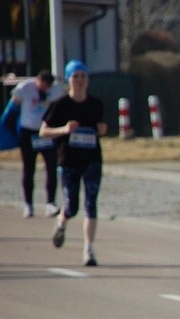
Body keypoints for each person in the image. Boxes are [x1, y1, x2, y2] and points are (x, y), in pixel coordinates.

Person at [39, 60, 107, 266]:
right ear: (69, 80)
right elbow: (43, 132)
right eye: (75, 76)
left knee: (91, 203)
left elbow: (101, 128)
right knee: (73, 206)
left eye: (83, 76)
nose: (79, 80)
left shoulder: (95, 104)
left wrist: (102, 130)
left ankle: (88, 250)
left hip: (92, 159)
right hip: (68, 160)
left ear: (88, 79)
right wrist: (64, 130)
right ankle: (61, 222)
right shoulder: (60, 105)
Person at [0, 70, 64, 217]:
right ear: (38, 80)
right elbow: (12, 108)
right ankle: (28, 204)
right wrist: (8, 129)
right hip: (28, 133)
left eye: (47, 87)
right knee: (29, 169)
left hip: (46, 133)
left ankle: (50, 203)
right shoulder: (25, 88)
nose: (44, 89)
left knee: (51, 167)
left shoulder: (56, 91)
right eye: (42, 85)